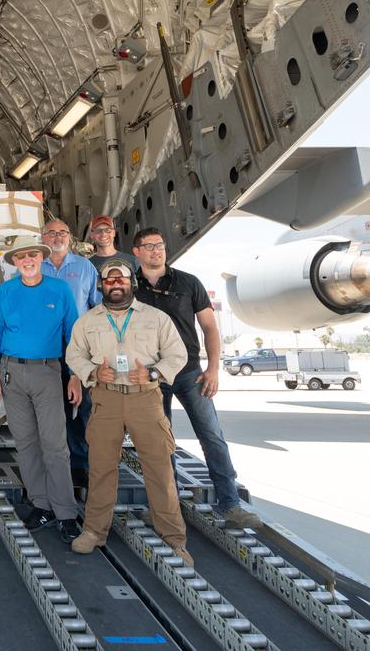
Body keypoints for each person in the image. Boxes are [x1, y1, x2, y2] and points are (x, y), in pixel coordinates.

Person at [132, 226, 261, 529]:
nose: (156, 250)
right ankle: (166, 505)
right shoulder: (130, 287)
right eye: (149, 246)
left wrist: (213, 368)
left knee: (211, 436)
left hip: (190, 371)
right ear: (136, 252)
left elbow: (210, 328)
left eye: (160, 245)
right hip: (151, 375)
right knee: (159, 442)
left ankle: (230, 504)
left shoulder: (189, 283)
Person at [65, 260, 193, 565]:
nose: (115, 284)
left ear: (130, 283)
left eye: (120, 279)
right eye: (109, 281)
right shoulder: (88, 321)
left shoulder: (156, 318)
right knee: (101, 469)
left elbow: (177, 353)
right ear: (101, 286)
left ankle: (174, 539)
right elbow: (74, 354)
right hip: (106, 399)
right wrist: (94, 372)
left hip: (145, 399)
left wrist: (153, 374)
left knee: (159, 470)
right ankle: (94, 531)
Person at [0, 235, 82, 541]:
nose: (27, 260)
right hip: (11, 372)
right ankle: (42, 505)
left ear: (41, 257)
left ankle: (66, 511)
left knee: (55, 445)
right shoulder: (6, 291)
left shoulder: (59, 290)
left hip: (48, 371)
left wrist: (76, 376)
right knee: (26, 443)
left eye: (32, 255)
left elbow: (74, 337)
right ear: (14, 262)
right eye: (21, 257)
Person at [41, 218, 101, 483]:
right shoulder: (34, 265)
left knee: (79, 407)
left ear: (70, 237)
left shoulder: (85, 267)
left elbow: (98, 308)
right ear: (43, 237)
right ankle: (51, 464)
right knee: (47, 408)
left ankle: (79, 465)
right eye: (51, 233)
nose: (57, 237)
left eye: (62, 233)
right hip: (43, 346)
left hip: (77, 346)